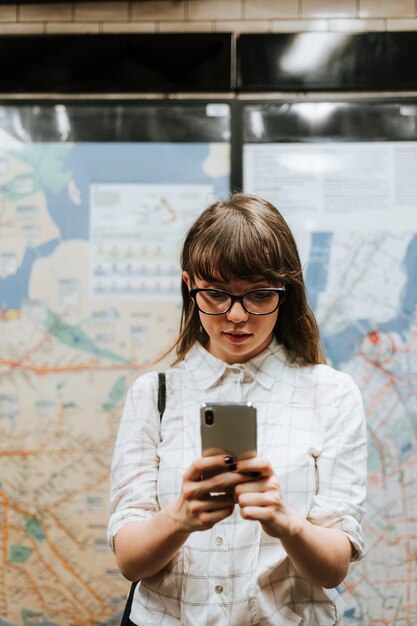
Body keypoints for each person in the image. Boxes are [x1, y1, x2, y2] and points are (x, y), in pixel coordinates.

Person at [107, 193, 367, 626]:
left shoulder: (331, 393)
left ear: (287, 291)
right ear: (190, 285)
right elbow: (130, 563)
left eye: (259, 295)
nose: (237, 316)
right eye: (217, 294)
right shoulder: (153, 394)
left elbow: (333, 568)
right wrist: (180, 518)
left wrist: (287, 523)